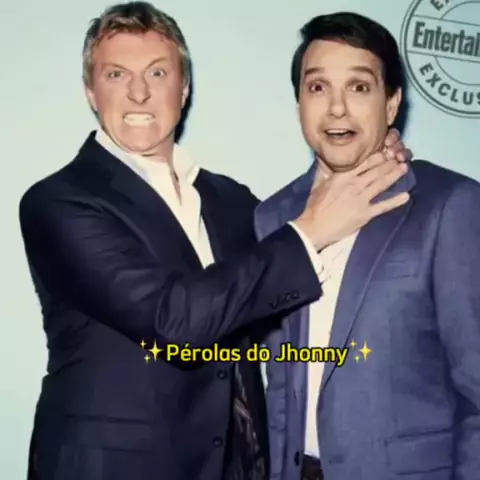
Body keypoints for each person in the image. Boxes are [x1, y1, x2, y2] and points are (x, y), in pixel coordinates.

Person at [19, 3, 411, 480]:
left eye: (158, 72)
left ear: (183, 88)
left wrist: (371, 156)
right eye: (116, 74)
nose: (139, 93)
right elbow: (175, 321)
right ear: (90, 90)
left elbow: (275, 278)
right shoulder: (59, 201)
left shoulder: (230, 200)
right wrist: (311, 229)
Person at [255, 11, 480, 480]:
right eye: (318, 87)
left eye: (358, 87)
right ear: (299, 102)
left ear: (391, 103)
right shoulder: (272, 217)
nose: (337, 108)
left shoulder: (449, 205)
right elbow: (281, 385)